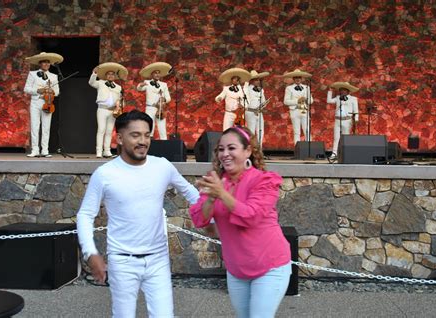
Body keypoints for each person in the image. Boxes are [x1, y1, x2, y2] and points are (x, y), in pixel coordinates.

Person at [77, 110, 199, 317]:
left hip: (158, 259)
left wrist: (214, 215)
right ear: (120, 138)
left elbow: (192, 194)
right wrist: (91, 253)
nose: (143, 141)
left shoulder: (162, 166)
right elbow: (85, 215)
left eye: (147, 135)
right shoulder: (105, 174)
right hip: (122, 261)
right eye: (135, 135)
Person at [189, 126, 291, 318]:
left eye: (231, 148)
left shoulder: (264, 181)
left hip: (269, 266)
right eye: (221, 149)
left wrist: (221, 193)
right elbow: (199, 219)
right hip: (236, 270)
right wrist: (211, 198)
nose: (225, 154)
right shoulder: (218, 182)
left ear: (248, 151)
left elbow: (251, 216)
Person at [24, 52, 63, 158]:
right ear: (40, 64)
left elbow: (57, 91)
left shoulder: (54, 76)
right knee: (35, 126)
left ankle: (45, 150)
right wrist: (38, 90)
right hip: (36, 102)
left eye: (48, 62)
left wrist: (51, 91)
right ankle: (35, 150)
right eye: (44, 62)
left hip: (48, 102)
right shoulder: (32, 74)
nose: (46, 64)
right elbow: (26, 89)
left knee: (46, 127)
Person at [89, 62, 127, 158]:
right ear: (106, 76)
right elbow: (91, 82)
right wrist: (94, 73)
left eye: (112, 74)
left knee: (109, 131)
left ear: (114, 76)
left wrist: (120, 105)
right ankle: (99, 151)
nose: (111, 76)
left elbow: (120, 99)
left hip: (113, 111)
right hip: (102, 109)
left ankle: (107, 151)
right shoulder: (100, 83)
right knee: (101, 129)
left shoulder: (118, 87)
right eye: (109, 74)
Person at [137, 62, 172, 140]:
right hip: (150, 108)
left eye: (158, 73)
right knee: (149, 128)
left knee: (162, 128)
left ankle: (164, 147)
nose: (157, 75)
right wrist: (140, 85)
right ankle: (149, 147)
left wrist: (164, 100)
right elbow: (139, 89)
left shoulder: (164, 84)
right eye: (155, 73)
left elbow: (168, 98)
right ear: (152, 74)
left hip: (160, 109)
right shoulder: (147, 82)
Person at [326, 81, 359, 157]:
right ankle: (334, 153)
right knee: (336, 137)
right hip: (338, 120)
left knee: (345, 138)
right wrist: (330, 91)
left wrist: (356, 120)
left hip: (347, 120)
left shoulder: (353, 99)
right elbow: (329, 101)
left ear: (348, 90)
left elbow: (356, 110)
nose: (342, 91)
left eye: (344, 89)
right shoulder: (338, 98)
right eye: (341, 90)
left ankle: (345, 153)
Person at [283, 69, 314, 145]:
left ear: (302, 78)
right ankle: (298, 150)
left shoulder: (306, 87)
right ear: (293, 79)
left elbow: (311, 100)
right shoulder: (289, 88)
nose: (298, 79)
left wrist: (306, 100)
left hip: (303, 109)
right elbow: (286, 101)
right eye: (296, 77)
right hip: (294, 110)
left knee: (307, 130)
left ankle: (309, 149)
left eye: (299, 77)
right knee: (297, 132)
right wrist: (298, 101)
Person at [244, 70, 270, 148]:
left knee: (260, 130)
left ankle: (259, 149)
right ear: (251, 81)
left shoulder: (261, 90)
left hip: (259, 112)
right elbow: (245, 102)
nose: (258, 81)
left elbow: (263, 101)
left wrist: (263, 105)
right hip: (250, 112)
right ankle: (251, 148)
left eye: (258, 80)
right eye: (256, 79)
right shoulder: (247, 89)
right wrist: (252, 109)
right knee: (251, 131)